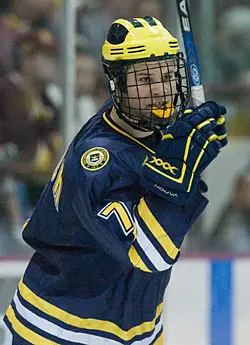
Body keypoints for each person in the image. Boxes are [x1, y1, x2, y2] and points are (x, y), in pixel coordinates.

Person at [4, 17, 228, 345]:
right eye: (145, 79)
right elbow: (148, 253)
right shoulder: (97, 158)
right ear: (117, 83)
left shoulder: (144, 123)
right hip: (58, 328)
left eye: (166, 76)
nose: (159, 90)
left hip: (136, 328)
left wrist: (184, 151)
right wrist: (186, 171)